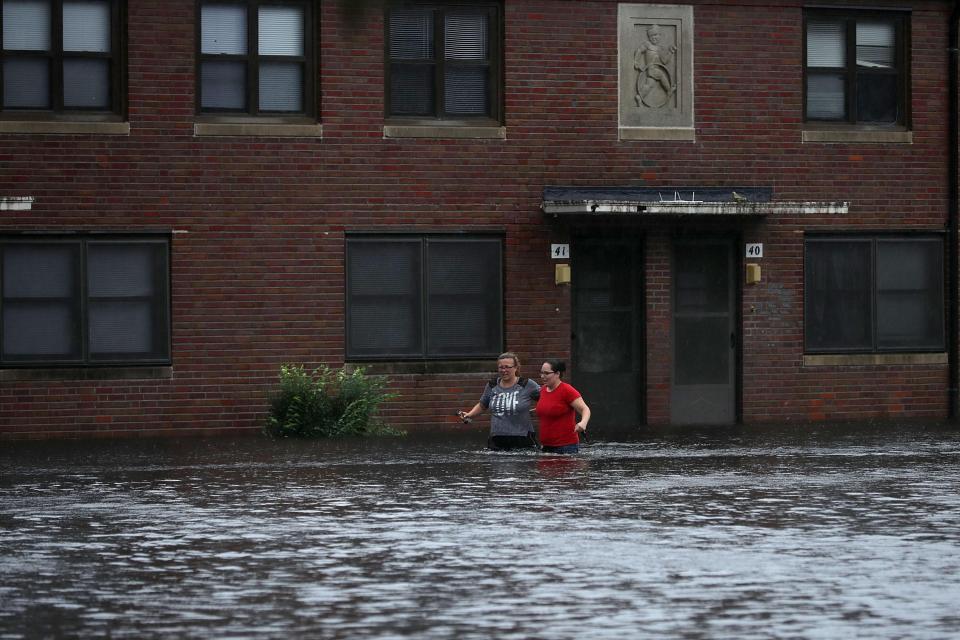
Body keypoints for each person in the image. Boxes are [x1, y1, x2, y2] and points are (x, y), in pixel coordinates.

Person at [458, 352, 541, 451]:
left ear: (516, 368)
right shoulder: (492, 385)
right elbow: (483, 404)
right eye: (501, 367)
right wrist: (469, 415)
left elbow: (547, 399)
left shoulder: (527, 384)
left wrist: (538, 410)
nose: (504, 370)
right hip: (497, 438)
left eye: (507, 367)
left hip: (522, 437)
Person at [536, 359, 591, 454]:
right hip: (546, 446)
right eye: (541, 373)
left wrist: (583, 423)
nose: (542, 376)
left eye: (546, 373)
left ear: (557, 373)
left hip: (566, 447)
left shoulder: (567, 390)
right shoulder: (542, 390)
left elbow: (585, 409)